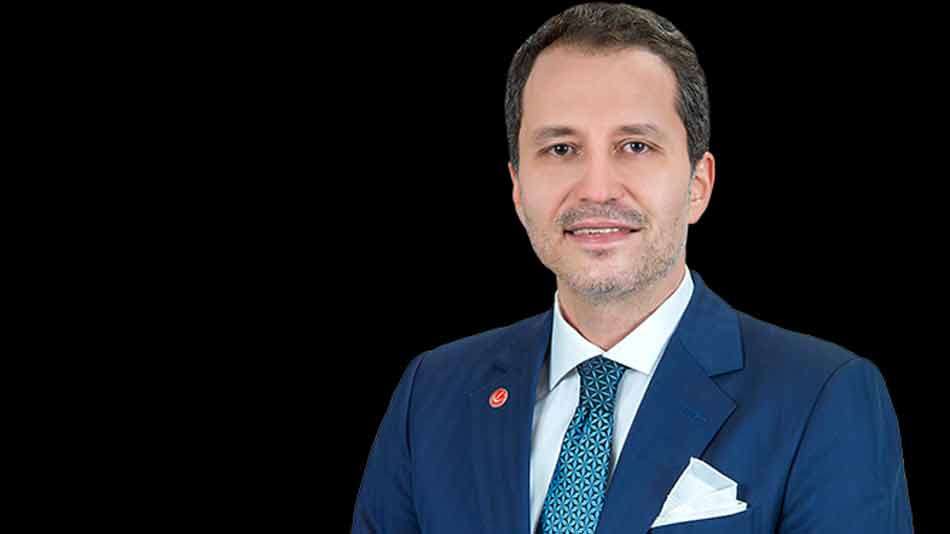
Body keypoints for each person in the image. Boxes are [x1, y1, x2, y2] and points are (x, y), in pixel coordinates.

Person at [351, 3, 914, 533]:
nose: (597, 189)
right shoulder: (431, 394)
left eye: (636, 146)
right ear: (518, 189)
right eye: (561, 149)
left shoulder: (823, 397)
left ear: (698, 185)